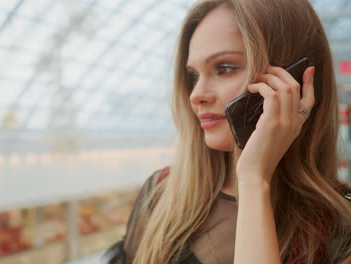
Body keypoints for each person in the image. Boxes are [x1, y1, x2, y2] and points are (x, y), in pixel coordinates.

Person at [105, 0, 351, 263]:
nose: (196, 95)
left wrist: (254, 179)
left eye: (224, 68)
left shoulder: (340, 226)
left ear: (296, 80)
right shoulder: (160, 194)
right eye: (193, 77)